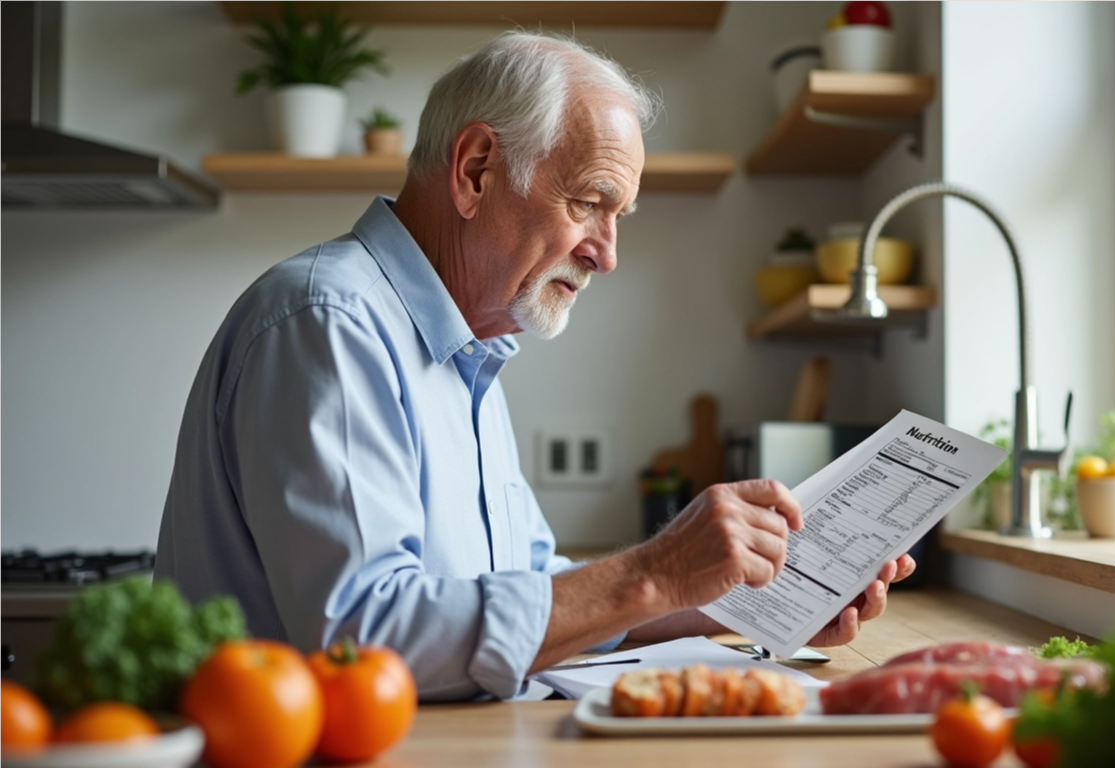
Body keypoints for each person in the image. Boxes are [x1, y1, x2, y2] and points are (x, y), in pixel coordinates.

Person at [155, 31, 916, 701]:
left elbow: (538, 600)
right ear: (478, 168)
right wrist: (654, 572)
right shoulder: (331, 323)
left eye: (620, 218)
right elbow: (363, 641)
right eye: (591, 202)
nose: (608, 254)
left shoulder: (470, 355)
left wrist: (739, 596)